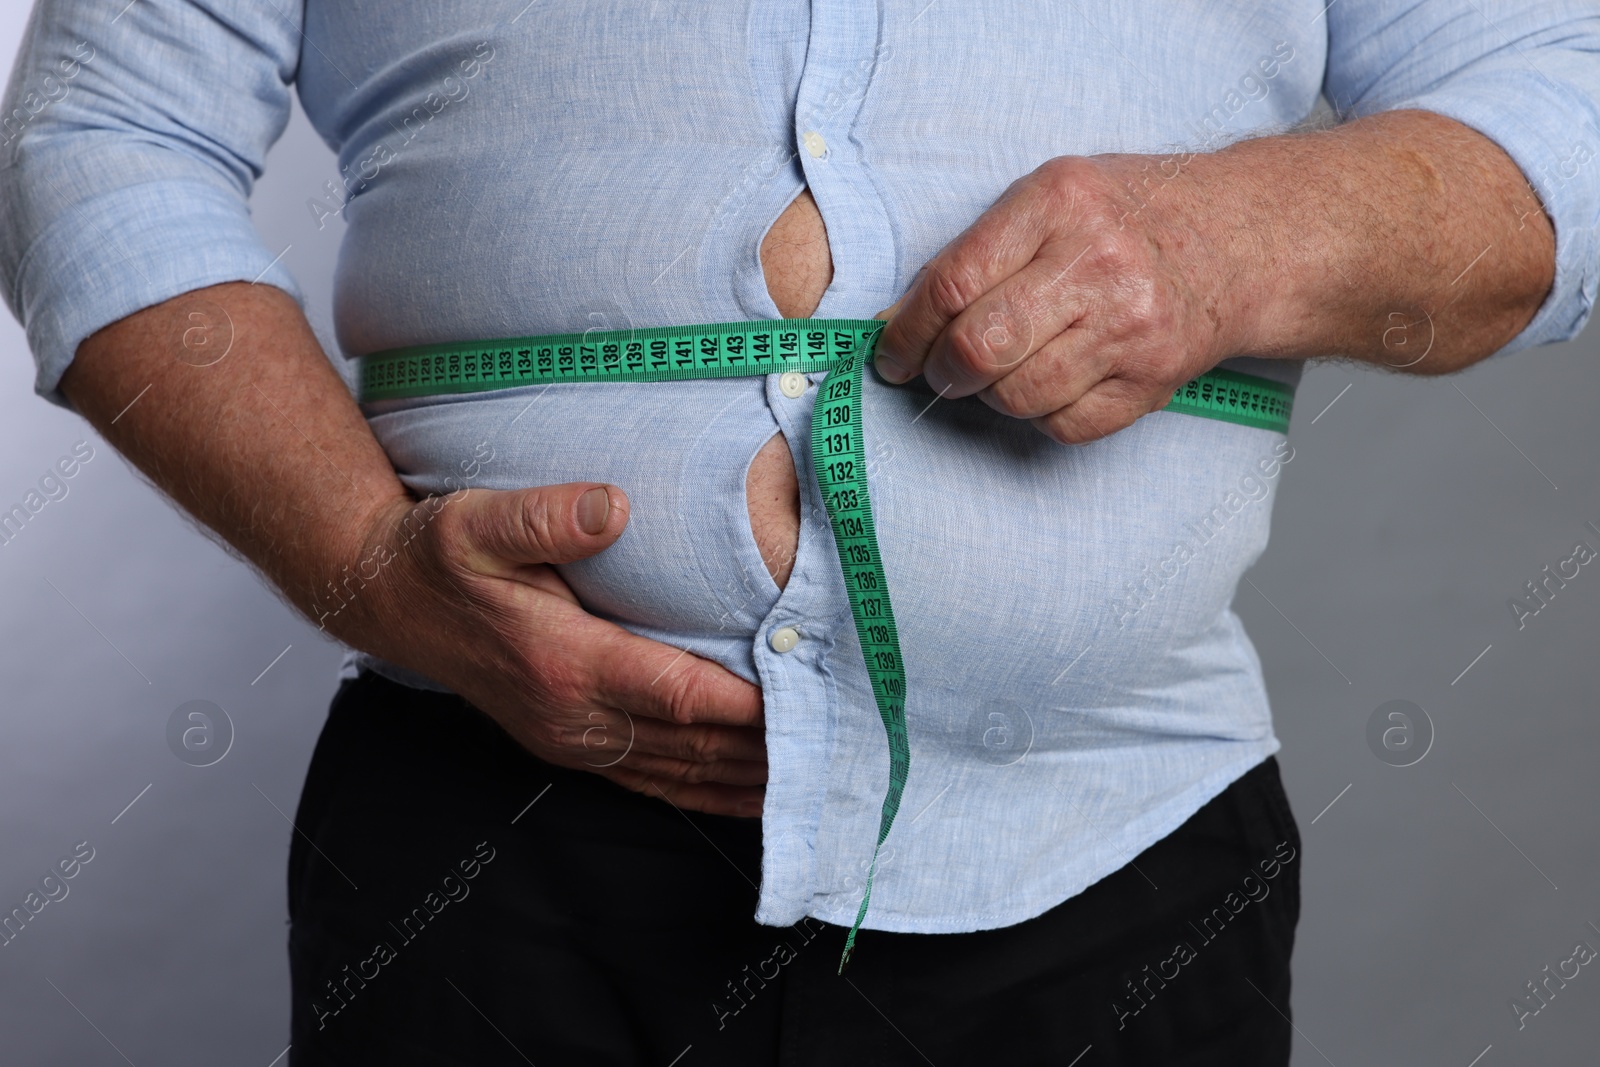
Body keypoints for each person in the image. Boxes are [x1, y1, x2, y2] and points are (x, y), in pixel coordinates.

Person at [2, 1, 1595, 1063]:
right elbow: (98, 135)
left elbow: (1568, 111)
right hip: (480, 849)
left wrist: (1251, 230)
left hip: (1112, 852)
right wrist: (370, 564)